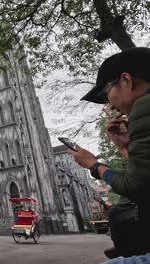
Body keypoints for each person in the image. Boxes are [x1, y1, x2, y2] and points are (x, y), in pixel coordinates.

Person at [70, 47, 150, 262]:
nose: (109, 102)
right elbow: (145, 181)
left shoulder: (143, 108)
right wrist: (124, 148)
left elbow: (135, 188)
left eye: (107, 93)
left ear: (127, 80)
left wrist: (93, 165)